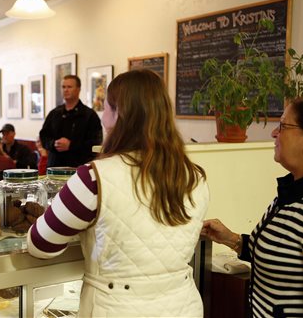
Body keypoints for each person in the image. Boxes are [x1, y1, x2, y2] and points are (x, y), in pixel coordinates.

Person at [28, 69, 209, 316]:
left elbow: (40, 244)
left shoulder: (93, 178)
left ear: (119, 114)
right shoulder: (196, 177)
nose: (103, 117)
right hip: (183, 307)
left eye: (107, 108)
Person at [201, 96, 303, 318]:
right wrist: (232, 239)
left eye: (283, 126)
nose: (274, 133)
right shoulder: (288, 194)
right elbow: (277, 253)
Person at [39, 75, 103, 167]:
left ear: (78, 89)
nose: (66, 90)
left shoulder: (89, 115)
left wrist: (71, 145)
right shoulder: (54, 113)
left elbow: (95, 143)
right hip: (55, 167)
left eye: (69, 87)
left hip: (78, 168)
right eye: (63, 87)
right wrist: (54, 144)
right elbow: (44, 136)